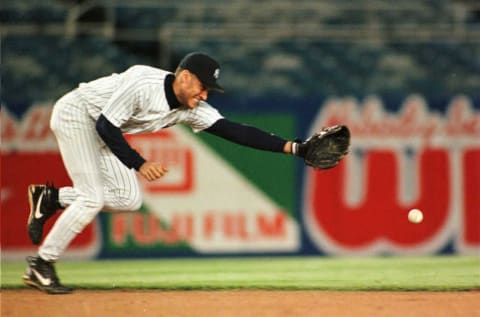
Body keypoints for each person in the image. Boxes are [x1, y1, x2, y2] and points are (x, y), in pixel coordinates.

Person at [23, 52, 311, 294]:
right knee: (92, 197)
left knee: (127, 199)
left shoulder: (190, 107)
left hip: (101, 130)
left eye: (210, 89)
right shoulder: (143, 82)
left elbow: (235, 131)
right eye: (203, 86)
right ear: (184, 76)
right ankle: (42, 264)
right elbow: (106, 126)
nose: (205, 94)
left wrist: (293, 148)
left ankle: (51, 198)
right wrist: (140, 163)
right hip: (77, 115)